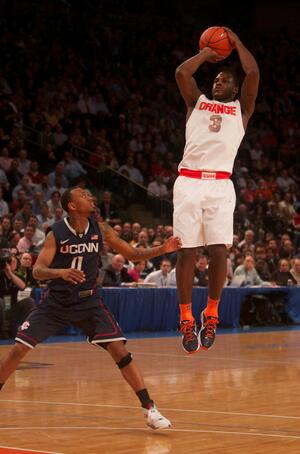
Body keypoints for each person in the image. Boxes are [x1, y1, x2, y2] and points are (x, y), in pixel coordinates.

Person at [0, 187, 181, 429]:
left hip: (89, 302)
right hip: (57, 301)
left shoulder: (100, 228)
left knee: (120, 351)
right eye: (84, 195)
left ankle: (150, 409)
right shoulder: (57, 232)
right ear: (72, 206)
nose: (91, 197)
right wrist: (60, 272)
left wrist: (163, 249)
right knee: (18, 350)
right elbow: (38, 270)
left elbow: (134, 254)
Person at [174, 27, 260, 353]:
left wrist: (235, 43)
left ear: (236, 88)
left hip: (220, 183)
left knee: (219, 250)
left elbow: (253, 71)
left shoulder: (242, 109)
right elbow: (182, 72)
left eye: (224, 80)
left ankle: (211, 312)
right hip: (189, 181)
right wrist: (207, 54)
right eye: (215, 80)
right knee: (186, 251)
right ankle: (185, 318)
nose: (217, 82)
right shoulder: (197, 103)